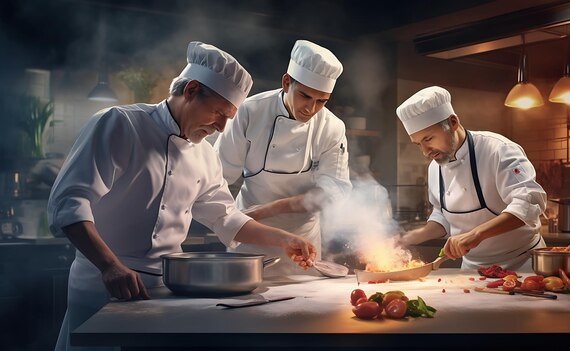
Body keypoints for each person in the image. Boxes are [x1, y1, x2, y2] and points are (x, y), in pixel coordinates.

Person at [48, 41, 316, 351]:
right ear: (190, 91)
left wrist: (283, 239)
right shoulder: (120, 124)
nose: (220, 127)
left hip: (164, 290)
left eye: (229, 117)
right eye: (218, 113)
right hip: (101, 283)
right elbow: (69, 203)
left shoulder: (204, 154)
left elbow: (225, 218)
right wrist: (109, 265)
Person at [214, 40, 351, 276]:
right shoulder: (249, 111)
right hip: (250, 236)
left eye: (322, 101)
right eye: (305, 96)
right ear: (286, 82)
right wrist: (224, 217)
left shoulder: (332, 127)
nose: (311, 109)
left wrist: (262, 211)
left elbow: (329, 195)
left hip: (302, 245)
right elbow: (217, 175)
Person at [396, 86, 546, 271]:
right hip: (472, 269)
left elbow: (530, 202)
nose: (425, 152)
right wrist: (407, 238)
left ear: (453, 122)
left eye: (428, 139)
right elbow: (442, 215)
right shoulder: (435, 168)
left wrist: (477, 234)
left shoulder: (498, 150)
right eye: (418, 144)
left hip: (521, 264)